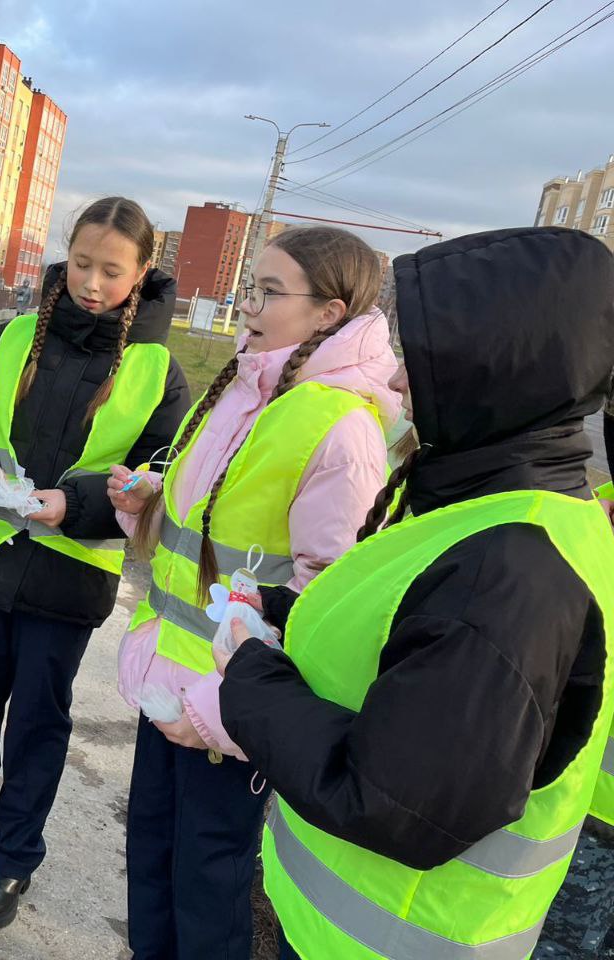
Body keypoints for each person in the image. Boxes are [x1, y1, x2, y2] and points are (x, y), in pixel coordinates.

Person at [215, 226, 614, 960]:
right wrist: (284, 616)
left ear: (495, 373)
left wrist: (248, 672)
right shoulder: (494, 514)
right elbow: (404, 643)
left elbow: (395, 804)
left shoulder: (512, 570)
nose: (397, 380)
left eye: (425, 361)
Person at [110, 226, 398, 959]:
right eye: (251, 287)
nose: (249, 305)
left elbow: (322, 599)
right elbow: (211, 528)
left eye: (270, 292)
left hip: (228, 708)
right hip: (169, 682)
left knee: (207, 884)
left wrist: (218, 712)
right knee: (152, 859)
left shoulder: (341, 428)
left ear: (329, 313)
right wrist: (148, 500)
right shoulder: (248, 388)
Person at [0, 196, 191, 929]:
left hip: (67, 578)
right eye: (85, 265)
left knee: (36, 725)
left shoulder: (161, 372)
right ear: (70, 254)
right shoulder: (15, 334)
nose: (93, 284)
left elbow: (158, 472)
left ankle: (11, 863)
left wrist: (81, 502)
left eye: (112, 272)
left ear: (142, 273)